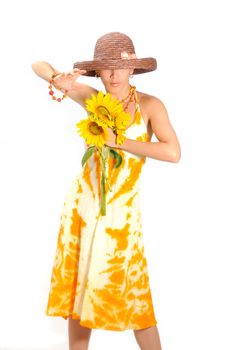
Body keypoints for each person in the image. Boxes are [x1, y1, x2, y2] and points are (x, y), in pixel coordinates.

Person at [32, 32, 181, 350]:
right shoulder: (92, 99)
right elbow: (37, 65)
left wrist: (119, 141)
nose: (113, 75)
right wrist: (60, 78)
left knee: (135, 294)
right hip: (84, 207)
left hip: (122, 214)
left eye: (120, 67)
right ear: (96, 72)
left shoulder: (150, 105)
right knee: (79, 290)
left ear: (132, 70)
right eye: (106, 68)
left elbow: (173, 152)